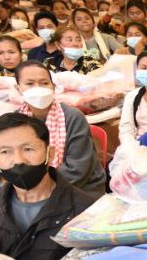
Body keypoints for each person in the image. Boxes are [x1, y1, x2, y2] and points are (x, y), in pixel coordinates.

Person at [0, 113, 97, 260]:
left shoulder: (87, 211)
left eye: (28, 149)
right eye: (5, 152)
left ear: (50, 153)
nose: (18, 160)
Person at [12, 63, 105, 195]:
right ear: (18, 89)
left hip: (80, 187)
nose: (38, 88)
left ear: (53, 87)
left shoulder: (72, 117)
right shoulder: (14, 121)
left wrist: (40, 188)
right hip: (31, 189)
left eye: (44, 83)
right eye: (30, 84)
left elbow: (78, 169)